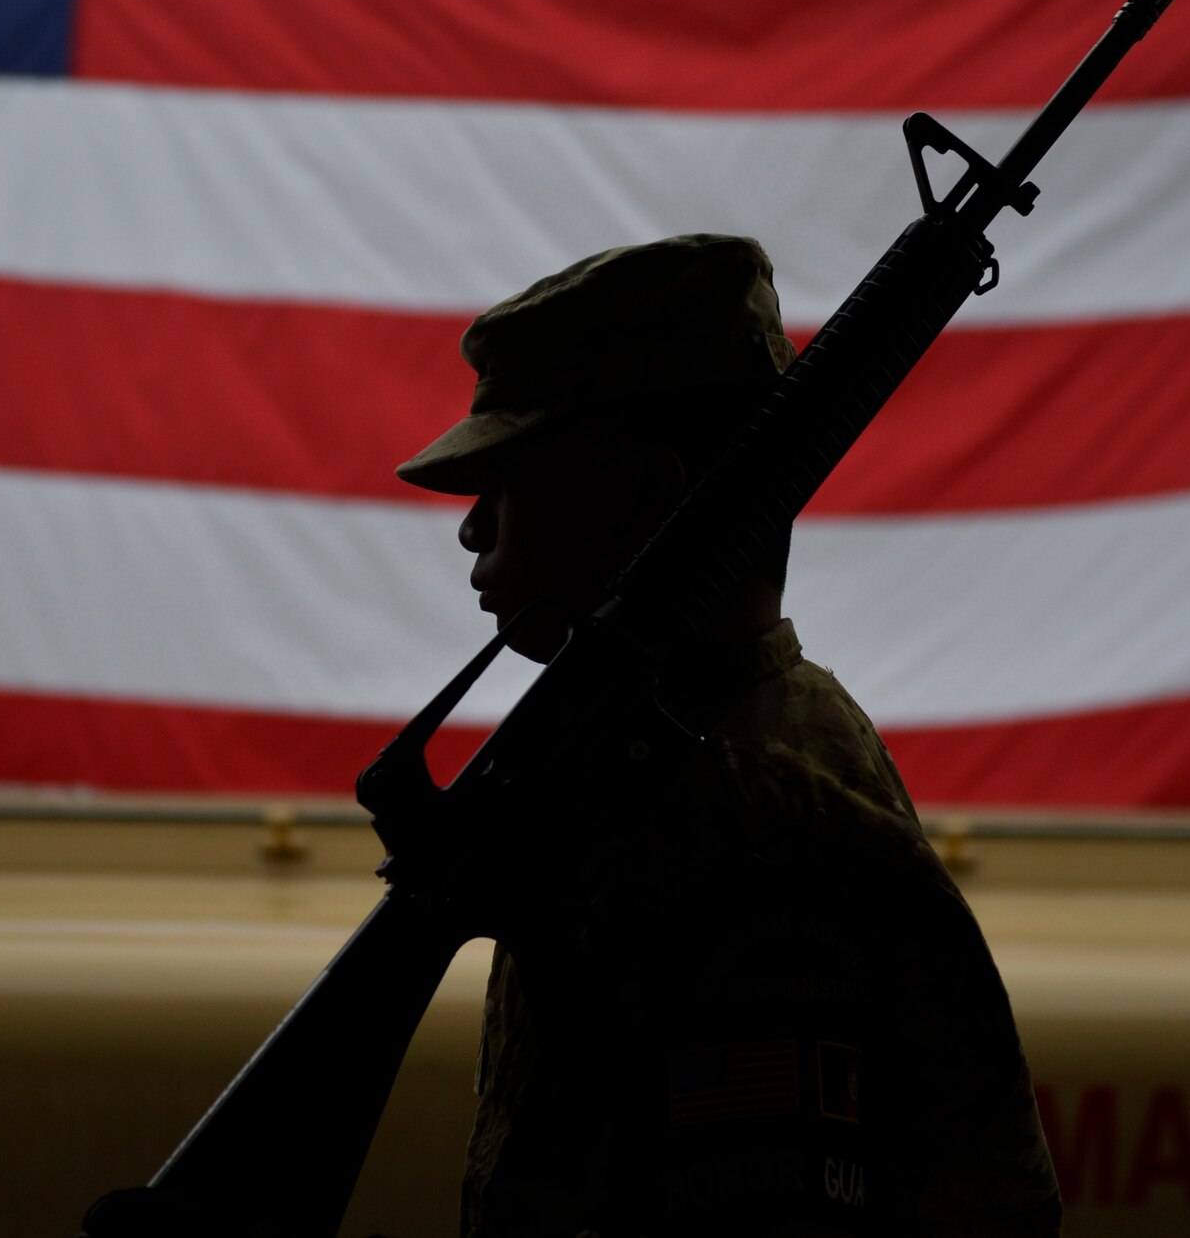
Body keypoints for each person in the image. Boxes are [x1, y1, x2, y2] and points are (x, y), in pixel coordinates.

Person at [396, 234, 1061, 1236]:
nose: (472, 526)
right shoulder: (661, 758)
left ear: (655, 494)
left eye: (516, 474)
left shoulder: (745, 818)